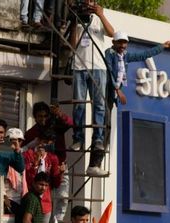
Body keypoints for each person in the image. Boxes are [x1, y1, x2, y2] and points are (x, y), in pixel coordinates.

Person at [69, 1, 115, 176]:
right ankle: (78, 138)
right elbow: (72, 45)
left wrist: (101, 14)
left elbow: (112, 33)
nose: (88, 5)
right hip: (79, 66)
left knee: (99, 106)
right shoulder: (77, 18)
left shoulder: (98, 18)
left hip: (98, 67)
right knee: (79, 104)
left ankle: (98, 140)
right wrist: (74, 22)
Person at [25, 102, 74, 222]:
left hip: (59, 166)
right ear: (34, 117)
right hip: (41, 169)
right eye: (39, 116)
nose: (42, 119)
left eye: (45, 116)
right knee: (43, 200)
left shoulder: (56, 125)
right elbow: (24, 148)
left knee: (62, 198)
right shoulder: (31, 133)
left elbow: (70, 123)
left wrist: (59, 114)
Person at [105, 32, 170, 106]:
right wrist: (117, 89)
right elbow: (109, 71)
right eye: (119, 42)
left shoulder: (125, 55)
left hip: (114, 91)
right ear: (113, 42)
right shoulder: (110, 53)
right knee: (102, 109)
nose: (122, 45)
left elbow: (143, 55)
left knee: (108, 112)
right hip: (107, 88)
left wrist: (162, 46)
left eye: (125, 43)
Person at [23, 140, 63, 217]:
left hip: (45, 203)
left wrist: (60, 173)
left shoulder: (52, 158)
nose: (42, 145)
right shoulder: (28, 155)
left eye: (46, 142)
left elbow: (56, 183)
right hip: (30, 201)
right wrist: (35, 165)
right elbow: (29, 180)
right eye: (41, 141)